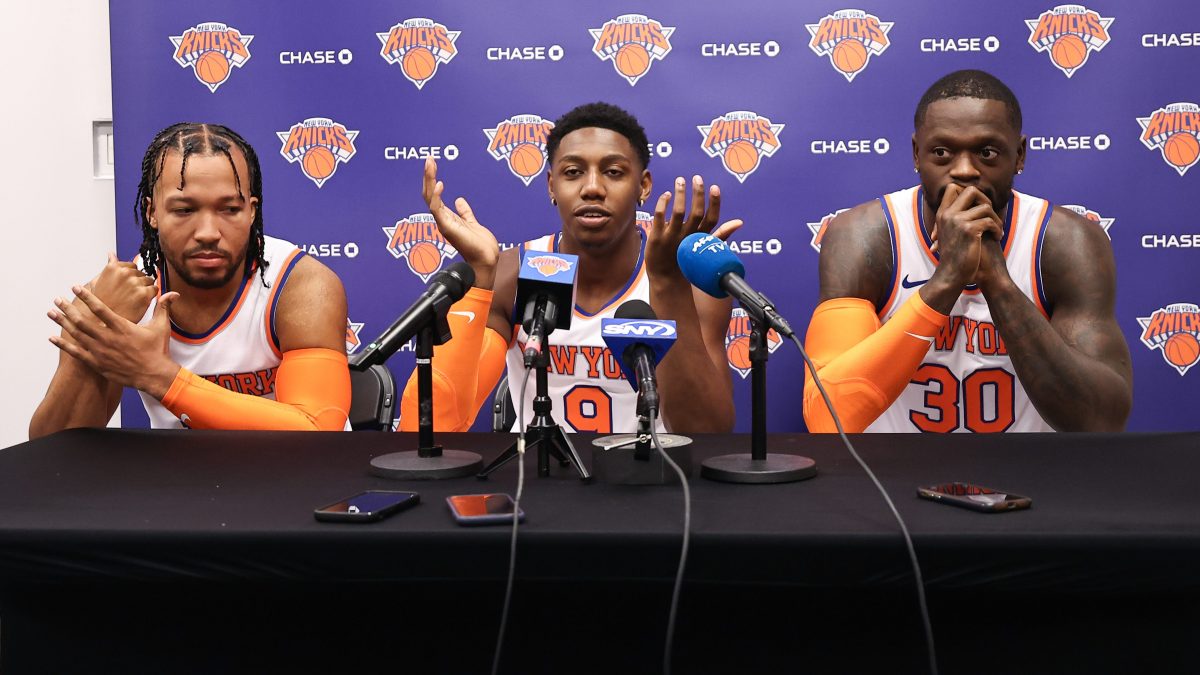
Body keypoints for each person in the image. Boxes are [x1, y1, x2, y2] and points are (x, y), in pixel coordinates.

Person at [803, 70, 1132, 433]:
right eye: (941, 153)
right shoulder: (865, 238)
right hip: (895, 467)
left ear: (1019, 155)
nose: (964, 171)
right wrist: (947, 280)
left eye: (987, 153)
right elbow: (828, 415)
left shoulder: (1065, 242)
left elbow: (1101, 420)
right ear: (916, 154)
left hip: (1026, 467)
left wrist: (997, 281)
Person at [399, 102, 737, 434]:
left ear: (643, 186)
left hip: (651, 468)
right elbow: (436, 423)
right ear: (552, 185)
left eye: (613, 172)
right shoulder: (514, 273)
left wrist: (667, 284)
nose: (592, 188)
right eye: (573, 172)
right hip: (539, 469)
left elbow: (707, 431)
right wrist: (481, 275)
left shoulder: (686, 278)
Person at [30, 123, 350, 437]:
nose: (208, 233)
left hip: (293, 471)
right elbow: (53, 452)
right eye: (184, 210)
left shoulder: (298, 285)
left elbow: (317, 430)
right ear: (152, 213)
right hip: (179, 472)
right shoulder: (122, 297)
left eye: (229, 209)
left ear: (251, 211)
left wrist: (159, 376)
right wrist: (94, 330)